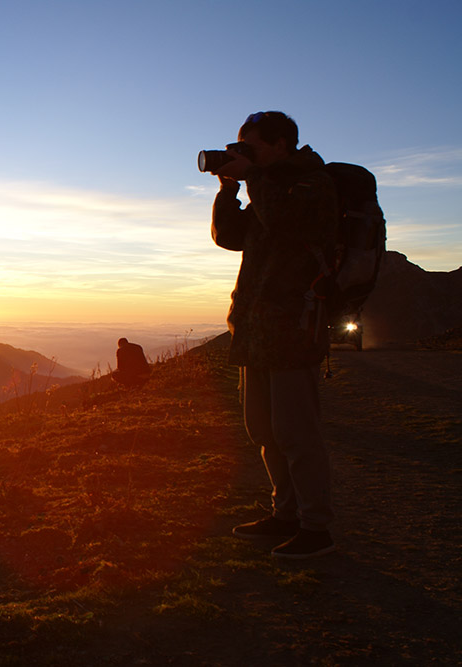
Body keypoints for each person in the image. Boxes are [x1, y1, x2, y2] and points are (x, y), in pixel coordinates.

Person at [209, 111, 339, 559]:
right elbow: (230, 236)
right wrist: (228, 190)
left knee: (297, 433)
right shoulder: (267, 188)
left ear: (282, 145)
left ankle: (316, 527)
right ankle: (284, 514)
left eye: (253, 148)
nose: (245, 157)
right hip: (256, 328)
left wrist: (254, 180)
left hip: (293, 328)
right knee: (263, 430)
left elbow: (288, 224)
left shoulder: (312, 183)